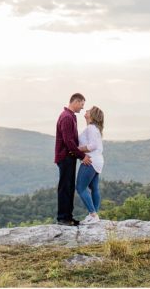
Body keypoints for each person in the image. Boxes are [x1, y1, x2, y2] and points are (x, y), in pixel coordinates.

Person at [54, 93, 91, 226]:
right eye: (81, 104)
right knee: (65, 187)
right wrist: (82, 156)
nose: (82, 108)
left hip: (69, 157)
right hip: (65, 157)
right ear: (75, 101)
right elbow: (69, 141)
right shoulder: (67, 118)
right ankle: (63, 218)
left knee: (69, 187)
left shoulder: (70, 116)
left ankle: (68, 217)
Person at [75, 106, 105, 224]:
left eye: (88, 110)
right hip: (97, 161)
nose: (86, 111)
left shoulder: (91, 128)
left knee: (81, 188)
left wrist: (77, 150)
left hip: (90, 160)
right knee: (94, 188)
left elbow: (93, 146)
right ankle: (94, 215)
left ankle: (93, 215)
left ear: (92, 115)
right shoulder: (94, 128)